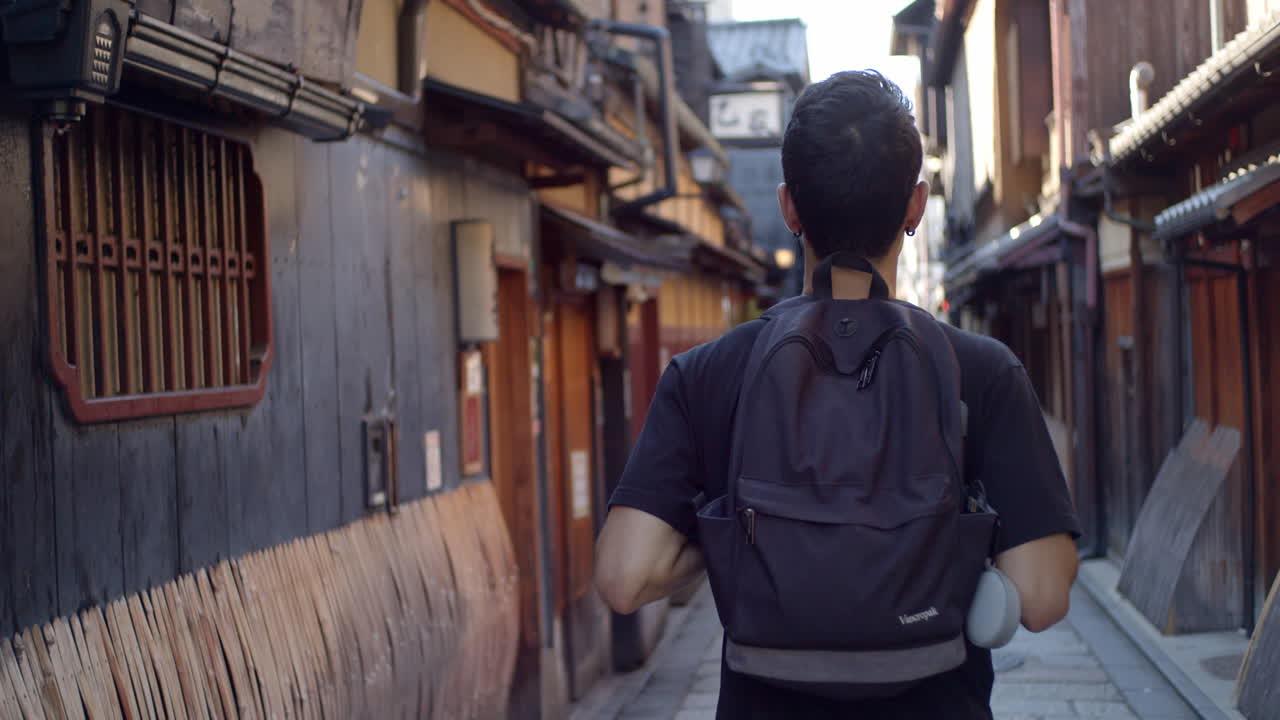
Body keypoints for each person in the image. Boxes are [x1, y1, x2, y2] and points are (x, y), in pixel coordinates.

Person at [593, 70, 1081, 719]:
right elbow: (1043, 596)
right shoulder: (981, 370)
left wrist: (734, 544)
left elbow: (625, 577)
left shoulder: (708, 374)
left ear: (790, 206)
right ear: (916, 206)